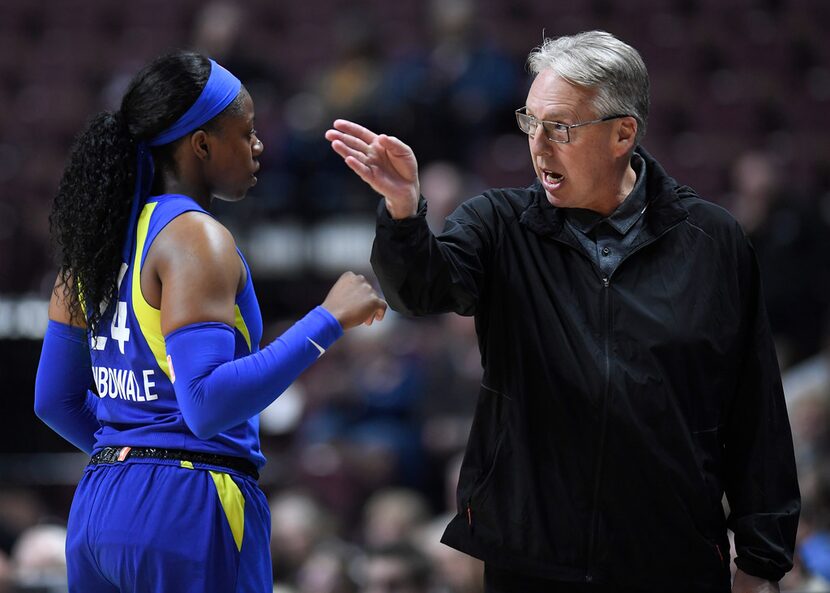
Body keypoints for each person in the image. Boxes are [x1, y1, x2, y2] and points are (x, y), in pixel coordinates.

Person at [326, 30, 799, 593]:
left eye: (561, 128)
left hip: (670, 556)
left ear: (623, 132)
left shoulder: (712, 240)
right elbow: (421, 292)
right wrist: (404, 213)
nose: (539, 145)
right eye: (531, 122)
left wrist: (760, 560)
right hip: (531, 558)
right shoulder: (498, 223)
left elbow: (755, 409)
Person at [34, 50, 387, 593]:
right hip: (189, 503)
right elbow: (206, 404)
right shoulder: (194, 236)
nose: (258, 145)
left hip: (98, 505)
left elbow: (54, 401)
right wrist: (326, 321)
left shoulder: (94, 241)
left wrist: (133, 464)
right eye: (246, 132)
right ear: (201, 143)